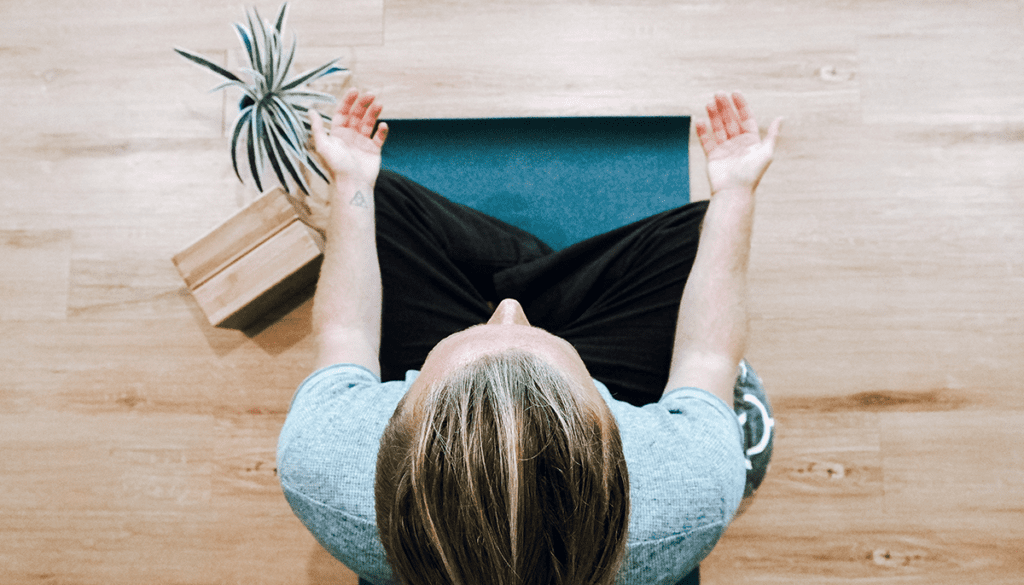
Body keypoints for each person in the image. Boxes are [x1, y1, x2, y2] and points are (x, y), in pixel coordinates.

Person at [277, 87, 781, 585]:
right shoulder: (685, 492)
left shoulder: (324, 462)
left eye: (486, 328)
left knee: (383, 198)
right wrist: (735, 191)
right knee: (684, 239)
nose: (509, 312)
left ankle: (528, 264)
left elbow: (345, 331)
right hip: (632, 391)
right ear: (613, 430)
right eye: (531, 332)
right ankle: (542, 269)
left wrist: (350, 180)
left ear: (392, 425)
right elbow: (708, 356)